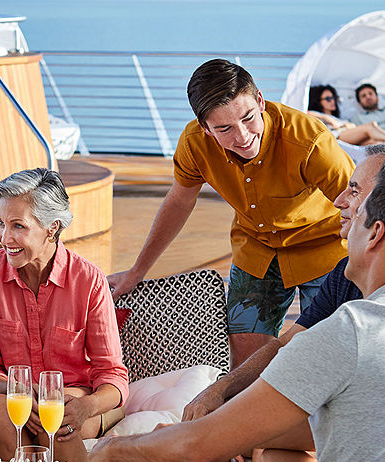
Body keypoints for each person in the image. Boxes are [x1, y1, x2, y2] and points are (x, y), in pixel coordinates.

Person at [93, 160, 385, 462]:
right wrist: (202, 432)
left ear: (375, 233)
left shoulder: (352, 330)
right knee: (280, 458)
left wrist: (109, 449)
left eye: (358, 212)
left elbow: (197, 449)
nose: (344, 215)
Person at [178, 144, 385, 462]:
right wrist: (221, 388)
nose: (339, 200)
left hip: (367, 453)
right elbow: (285, 344)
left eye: (355, 191)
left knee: (205, 434)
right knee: (271, 456)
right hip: (332, 420)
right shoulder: (353, 278)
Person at [108, 59, 355, 369]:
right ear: (205, 128)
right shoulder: (194, 144)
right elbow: (178, 202)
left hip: (325, 247)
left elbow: (360, 208)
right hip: (257, 248)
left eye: (249, 118)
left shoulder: (309, 141)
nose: (241, 136)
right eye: (224, 128)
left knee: (325, 356)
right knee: (244, 361)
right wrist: (137, 271)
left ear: (261, 101)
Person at [0, 168, 129, 462]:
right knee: (0, 412)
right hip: (4, 396)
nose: (4, 237)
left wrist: (84, 407)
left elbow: (112, 375)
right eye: (0, 223)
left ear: (51, 228)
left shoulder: (89, 279)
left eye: (18, 226)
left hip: (73, 397)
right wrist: (22, 393)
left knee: (56, 418)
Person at [305, 84, 385, 146]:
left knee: (375, 143)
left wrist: (343, 124)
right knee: (371, 126)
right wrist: (326, 117)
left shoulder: (338, 118)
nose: (333, 101)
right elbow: (305, 112)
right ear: (318, 102)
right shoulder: (318, 115)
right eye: (328, 99)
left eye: (334, 97)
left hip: (350, 136)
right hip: (338, 137)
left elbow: (351, 126)